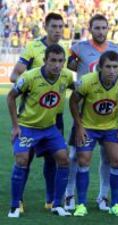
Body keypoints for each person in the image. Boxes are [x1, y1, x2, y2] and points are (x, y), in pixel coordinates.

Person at [66, 14, 118, 211]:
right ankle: (69, 195)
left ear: (108, 29)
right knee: (75, 156)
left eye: (104, 28)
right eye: (97, 28)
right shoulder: (79, 48)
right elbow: (69, 66)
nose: (101, 31)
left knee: (108, 158)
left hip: (108, 108)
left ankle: (103, 196)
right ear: (90, 29)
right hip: (86, 107)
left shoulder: (115, 49)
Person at [9, 12, 67, 211]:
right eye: (54, 26)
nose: (57, 30)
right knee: (27, 157)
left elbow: (77, 73)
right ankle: (19, 201)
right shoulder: (33, 47)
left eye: (61, 26)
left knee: (53, 158)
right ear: (46, 27)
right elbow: (15, 74)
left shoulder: (64, 50)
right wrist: (32, 87)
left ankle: (51, 199)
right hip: (32, 115)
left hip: (55, 116)